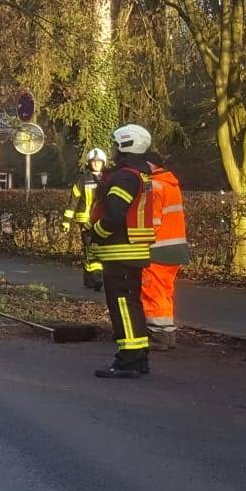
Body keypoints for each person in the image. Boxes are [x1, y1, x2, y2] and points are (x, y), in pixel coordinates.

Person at [87, 124, 157, 378]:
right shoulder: (139, 174)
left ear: (125, 145)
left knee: (123, 306)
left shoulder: (125, 176)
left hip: (120, 251)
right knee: (131, 305)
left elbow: (115, 215)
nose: (113, 150)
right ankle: (138, 357)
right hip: (130, 251)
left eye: (116, 144)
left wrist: (97, 233)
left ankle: (129, 359)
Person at [144, 152, 190, 349]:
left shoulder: (153, 186)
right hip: (174, 248)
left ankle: (159, 334)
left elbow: (151, 223)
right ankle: (167, 333)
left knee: (153, 291)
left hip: (157, 249)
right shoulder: (171, 184)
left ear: (149, 165)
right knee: (164, 292)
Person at [63, 148, 108, 293]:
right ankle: (94, 278)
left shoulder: (108, 178)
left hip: (103, 221)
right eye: (94, 162)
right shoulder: (82, 179)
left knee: (100, 249)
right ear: (89, 163)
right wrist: (66, 221)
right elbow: (73, 201)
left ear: (103, 163)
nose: (96, 164)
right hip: (85, 220)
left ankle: (93, 277)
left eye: (99, 162)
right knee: (89, 249)